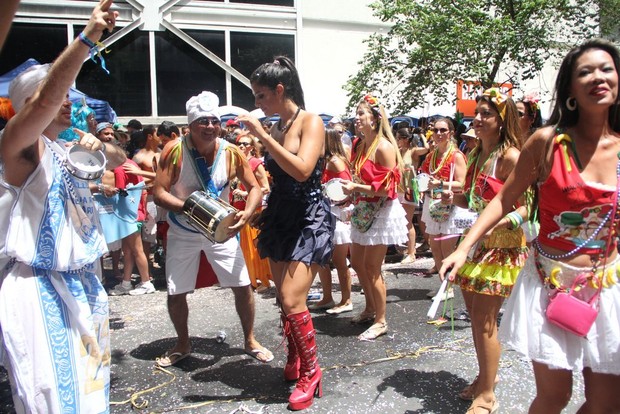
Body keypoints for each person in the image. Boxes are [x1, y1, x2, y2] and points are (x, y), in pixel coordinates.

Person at [444, 39, 620, 414]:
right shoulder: (546, 143)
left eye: (606, 69)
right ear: (570, 88)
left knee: (607, 402)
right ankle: (485, 388)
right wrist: (462, 247)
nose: (598, 78)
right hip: (551, 282)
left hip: (608, 289)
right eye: (585, 71)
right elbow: (505, 199)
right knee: (554, 396)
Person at [0, 1, 126, 411]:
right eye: (59, 94)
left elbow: (118, 161)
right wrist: (88, 40)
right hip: (40, 286)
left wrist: (98, 143)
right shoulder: (20, 145)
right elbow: (41, 106)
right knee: (52, 400)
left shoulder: (61, 149)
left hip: (84, 283)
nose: (68, 102)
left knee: (90, 396)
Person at [236, 56, 334, 411]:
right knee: (283, 298)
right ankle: (294, 357)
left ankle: (311, 372)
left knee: (293, 298)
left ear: (280, 90)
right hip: (280, 216)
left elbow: (304, 170)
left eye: (261, 96)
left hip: (308, 217)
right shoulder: (278, 125)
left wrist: (262, 135)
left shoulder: (311, 122)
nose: (257, 103)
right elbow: (274, 177)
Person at [152, 91, 273, 368]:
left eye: (214, 121)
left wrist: (247, 212)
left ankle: (250, 339)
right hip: (183, 230)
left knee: (243, 286)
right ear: (190, 125)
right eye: (202, 121)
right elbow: (159, 193)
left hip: (223, 233)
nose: (209, 126)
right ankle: (182, 343)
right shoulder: (174, 150)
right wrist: (191, 209)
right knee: (176, 290)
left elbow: (254, 187)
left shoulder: (231, 152)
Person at [439, 88, 527, 413]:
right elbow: (473, 199)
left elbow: (528, 208)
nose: (477, 119)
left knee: (484, 318)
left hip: (502, 250)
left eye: (486, 114)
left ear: (503, 121)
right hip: (476, 246)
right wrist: (454, 199)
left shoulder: (511, 157)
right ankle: (484, 377)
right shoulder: (477, 154)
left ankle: (487, 394)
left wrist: (499, 225)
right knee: (477, 320)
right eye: (476, 113)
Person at [340, 94, 408, 340]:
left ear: (375, 118)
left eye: (361, 114)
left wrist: (355, 189)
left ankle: (381, 320)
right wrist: (350, 194)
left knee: (372, 267)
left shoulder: (384, 147)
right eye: (356, 114)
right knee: (357, 263)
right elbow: (359, 179)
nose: (356, 118)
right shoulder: (359, 145)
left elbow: (387, 190)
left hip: (382, 212)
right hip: (363, 209)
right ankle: (369, 308)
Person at [419, 118, 469, 299]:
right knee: (435, 247)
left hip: (450, 205)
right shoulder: (431, 156)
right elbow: (424, 177)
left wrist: (440, 183)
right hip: (433, 205)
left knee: (447, 248)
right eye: (435, 130)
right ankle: (444, 286)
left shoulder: (456, 156)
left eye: (442, 130)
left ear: (451, 133)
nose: (438, 134)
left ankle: (449, 288)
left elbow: (462, 183)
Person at [311, 127, 353, 314]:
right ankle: (327, 297)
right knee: (323, 259)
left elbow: (346, 187)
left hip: (336, 214)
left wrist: (338, 199)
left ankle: (346, 300)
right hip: (326, 213)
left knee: (339, 260)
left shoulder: (336, 162)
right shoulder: (327, 161)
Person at [229, 132, 272, 291]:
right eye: (239, 143)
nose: (241, 146)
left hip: (253, 210)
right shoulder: (237, 163)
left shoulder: (255, 163)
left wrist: (247, 194)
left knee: (255, 247)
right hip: (239, 209)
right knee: (244, 248)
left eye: (245, 144)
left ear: (252, 147)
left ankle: (263, 280)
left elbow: (266, 187)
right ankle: (250, 278)